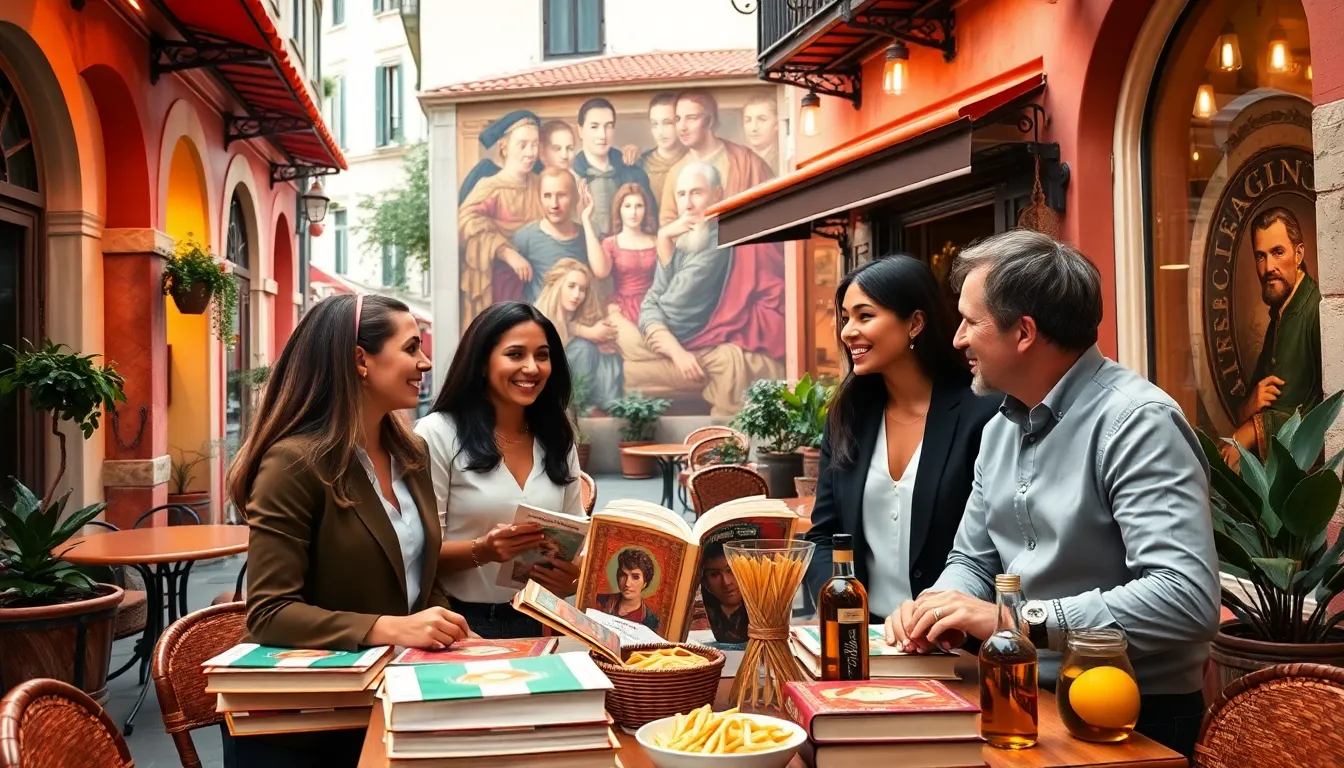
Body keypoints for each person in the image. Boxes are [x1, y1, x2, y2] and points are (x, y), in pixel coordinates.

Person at [889, 229, 1220, 759]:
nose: (957, 339)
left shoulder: (1137, 422)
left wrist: (1014, 622)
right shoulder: (999, 426)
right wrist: (937, 608)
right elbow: (973, 558)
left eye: (970, 322)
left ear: (1024, 332)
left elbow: (1184, 598)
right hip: (1012, 695)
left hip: (1132, 716)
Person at [225, 293, 471, 767]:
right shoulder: (294, 464)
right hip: (301, 729)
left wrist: (452, 631)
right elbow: (270, 612)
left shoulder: (411, 455)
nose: (425, 362)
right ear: (361, 360)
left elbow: (420, 577)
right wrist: (387, 627)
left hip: (390, 703)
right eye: (412, 347)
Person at [803, 256, 998, 633]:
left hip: (953, 642)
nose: (847, 332)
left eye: (864, 316)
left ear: (916, 323)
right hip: (864, 638)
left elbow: (995, 543)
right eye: (845, 318)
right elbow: (824, 535)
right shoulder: (848, 417)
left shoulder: (983, 413)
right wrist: (839, 602)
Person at [415, 302, 585, 638]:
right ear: (481, 363)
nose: (532, 368)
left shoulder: (558, 440)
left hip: (546, 620)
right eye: (515, 354)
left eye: (542, 355)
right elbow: (414, 551)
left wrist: (572, 577)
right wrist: (483, 550)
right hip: (460, 624)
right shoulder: (437, 434)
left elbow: (579, 540)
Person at [610, 161, 785, 417]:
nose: (688, 204)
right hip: (674, 332)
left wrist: (675, 350)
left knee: (627, 348)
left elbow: (673, 316)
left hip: (692, 331)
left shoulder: (714, 244)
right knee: (622, 338)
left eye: (696, 193)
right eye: (681, 195)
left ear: (717, 195)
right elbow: (652, 301)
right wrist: (665, 243)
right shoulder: (685, 240)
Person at [1219, 206, 1322, 468]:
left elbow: (1324, 412)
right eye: (1261, 256)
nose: (1269, 267)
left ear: (1298, 254)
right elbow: (1250, 405)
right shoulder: (1280, 316)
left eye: (1278, 252)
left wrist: (1251, 432)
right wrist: (1251, 405)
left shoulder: (1317, 311)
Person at [458, 111, 544, 325]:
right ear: (504, 148)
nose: (531, 152)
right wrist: (506, 252)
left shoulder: (540, 184)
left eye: (535, 145)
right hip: (499, 282)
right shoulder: (490, 187)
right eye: (523, 145)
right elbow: (468, 223)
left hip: (539, 278)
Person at [658, 90, 773, 226]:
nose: (682, 127)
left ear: (709, 120)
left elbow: (771, 212)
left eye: (691, 118)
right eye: (678, 119)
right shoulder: (675, 173)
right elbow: (667, 226)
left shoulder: (747, 162)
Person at [533, 258, 623, 410]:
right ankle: (578, 406)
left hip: (576, 372)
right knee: (583, 348)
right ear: (558, 286)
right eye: (571, 286)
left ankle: (611, 406)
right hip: (551, 380)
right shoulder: (539, 317)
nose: (577, 295)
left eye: (582, 289)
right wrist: (586, 333)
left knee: (609, 357)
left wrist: (598, 342)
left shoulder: (580, 315)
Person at [571, 97, 656, 239]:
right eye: (594, 127)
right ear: (580, 131)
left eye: (608, 126)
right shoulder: (570, 176)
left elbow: (651, 224)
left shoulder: (634, 174)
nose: (602, 135)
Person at [583, 181, 659, 324]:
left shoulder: (656, 241)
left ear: (646, 209)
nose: (633, 212)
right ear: (619, 209)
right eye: (627, 206)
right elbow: (600, 271)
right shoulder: (611, 243)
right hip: (623, 307)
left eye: (639, 206)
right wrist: (586, 220)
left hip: (653, 304)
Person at [509, 168, 589, 302]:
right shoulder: (527, 236)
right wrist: (507, 252)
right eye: (547, 196)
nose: (554, 205)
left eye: (561, 195)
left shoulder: (586, 236)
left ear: (575, 197)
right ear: (539, 198)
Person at [594, 547, 661, 631]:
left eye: (635, 577)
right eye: (623, 575)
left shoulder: (651, 621)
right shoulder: (598, 601)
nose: (627, 583)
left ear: (645, 583)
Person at [698, 542, 746, 642]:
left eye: (731, 570)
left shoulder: (764, 611)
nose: (726, 582)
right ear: (704, 581)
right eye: (714, 574)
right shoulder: (697, 614)